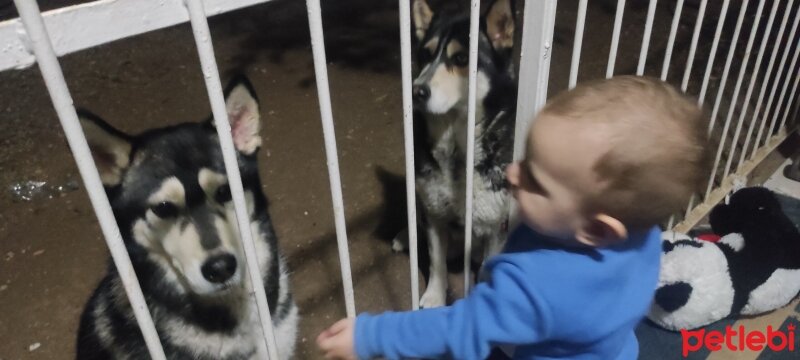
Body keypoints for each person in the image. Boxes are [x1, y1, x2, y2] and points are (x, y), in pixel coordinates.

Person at [317, 76, 711, 359]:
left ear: (594, 228)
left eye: (536, 179)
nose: (511, 172)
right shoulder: (641, 234)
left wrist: (373, 335)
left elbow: (461, 328)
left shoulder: (535, 285)